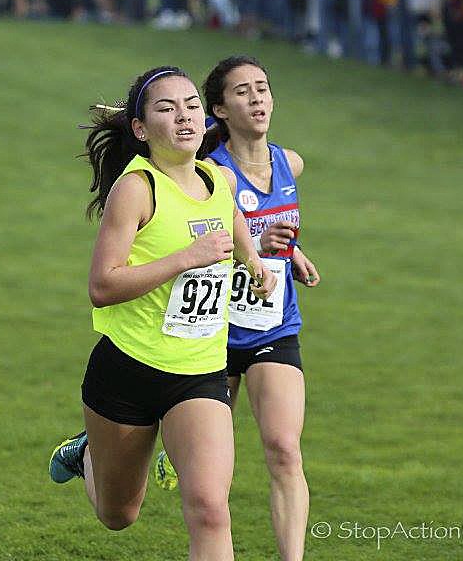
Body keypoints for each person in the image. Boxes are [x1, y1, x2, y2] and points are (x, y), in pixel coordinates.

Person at [48, 67, 277, 561]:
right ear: (140, 128)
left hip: (199, 372)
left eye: (192, 105)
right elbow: (101, 286)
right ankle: (89, 452)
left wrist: (254, 260)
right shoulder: (136, 189)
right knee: (118, 515)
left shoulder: (217, 176)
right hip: (128, 369)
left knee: (211, 510)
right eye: (167, 108)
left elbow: (230, 216)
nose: (184, 116)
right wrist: (184, 259)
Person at [155, 56, 320, 561]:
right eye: (243, 92)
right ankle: (116, 448)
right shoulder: (210, 176)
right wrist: (252, 247)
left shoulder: (289, 163)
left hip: (273, 325)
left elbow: (277, 229)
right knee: (210, 481)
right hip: (213, 335)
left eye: (264, 88)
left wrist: (289, 253)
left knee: (285, 451)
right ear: (220, 109)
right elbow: (194, 251)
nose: (258, 99)